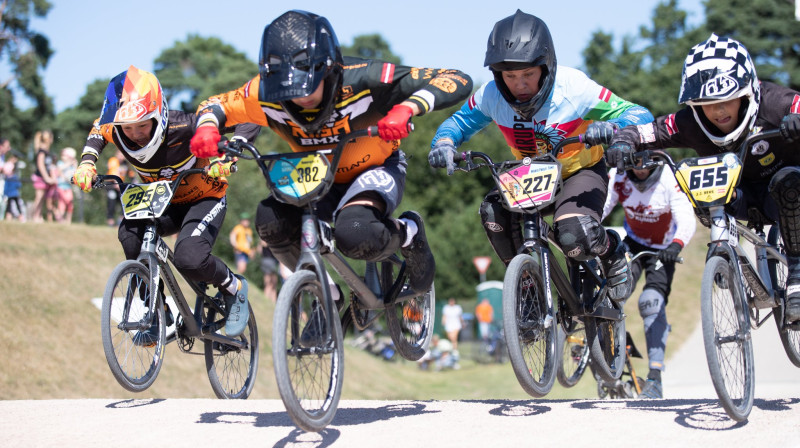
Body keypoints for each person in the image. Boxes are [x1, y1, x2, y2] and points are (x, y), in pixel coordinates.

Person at [190, 10, 473, 314]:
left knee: (355, 235)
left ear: (328, 70)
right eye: (288, 92)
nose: (300, 99)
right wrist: (206, 127)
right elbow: (214, 104)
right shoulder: (263, 92)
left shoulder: (367, 77)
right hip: (317, 175)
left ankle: (410, 233)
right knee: (270, 220)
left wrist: (408, 108)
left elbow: (455, 78)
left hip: (374, 168)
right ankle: (327, 296)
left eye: (309, 85)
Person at [429, 10, 654, 303]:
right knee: (492, 211)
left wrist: (613, 127)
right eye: (509, 76)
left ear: (546, 67)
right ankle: (524, 284)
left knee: (574, 236)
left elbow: (639, 114)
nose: (519, 85)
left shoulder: (575, 88)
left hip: (579, 171)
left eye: (528, 75)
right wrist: (444, 143)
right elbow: (457, 123)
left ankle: (612, 252)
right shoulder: (491, 96)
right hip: (529, 174)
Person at [607, 33, 800, 324]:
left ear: (748, 92)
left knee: (788, 182)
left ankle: (797, 273)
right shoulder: (689, 121)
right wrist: (623, 141)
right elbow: (647, 131)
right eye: (707, 103)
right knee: (700, 188)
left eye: (727, 100)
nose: (719, 111)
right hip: (738, 196)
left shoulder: (775, 103)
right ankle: (727, 258)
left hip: (784, 194)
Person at [72, 65, 260, 339]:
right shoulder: (115, 129)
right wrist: (87, 163)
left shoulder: (185, 125)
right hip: (162, 200)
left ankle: (233, 287)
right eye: (128, 127)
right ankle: (156, 310)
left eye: (142, 125)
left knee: (189, 258)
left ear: (158, 115)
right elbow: (98, 129)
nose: (135, 133)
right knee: (129, 235)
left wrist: (229, 156)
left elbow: (248, 114)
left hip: (205, 196)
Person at [602, 162, 696, 399]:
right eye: (635, 166)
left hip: (664, 249)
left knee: (651, 301)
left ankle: (655, 377)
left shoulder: (669, 177)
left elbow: (686, 217)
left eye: (646, 167)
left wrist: (677, 245)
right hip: (633, 243)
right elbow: (602, 208)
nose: (641, 172)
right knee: (613, 293)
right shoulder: (619, 176)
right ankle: (609, 360)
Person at [30, 130, 58, 222]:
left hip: (44, 178)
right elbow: (40, 165)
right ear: (49, 139)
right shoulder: (42, 152)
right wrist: (47, 178)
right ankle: (34, 217)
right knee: (38, 198)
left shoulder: (47, 151)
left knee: (41, 198)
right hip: (40, 178)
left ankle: (38, 216)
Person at [55, 147, 78, 224]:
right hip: (61, 186)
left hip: (68, 187)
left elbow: (75, 174)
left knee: (69, 204)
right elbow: (59, 170)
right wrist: (68, 164)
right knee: (63, 203)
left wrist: (75, 165)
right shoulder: (60, 163)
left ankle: (68, 221)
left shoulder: (71, 165)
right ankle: (60, 218)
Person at [2, 152, 26, 222]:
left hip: (10, 194)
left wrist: (4, 194)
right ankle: (20, 216)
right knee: (17, 206)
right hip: (14, 194)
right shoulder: (14, 177)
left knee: (9, 206)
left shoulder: (8, 179)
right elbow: (19, 185)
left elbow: (5, 187)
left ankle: (9, 217)